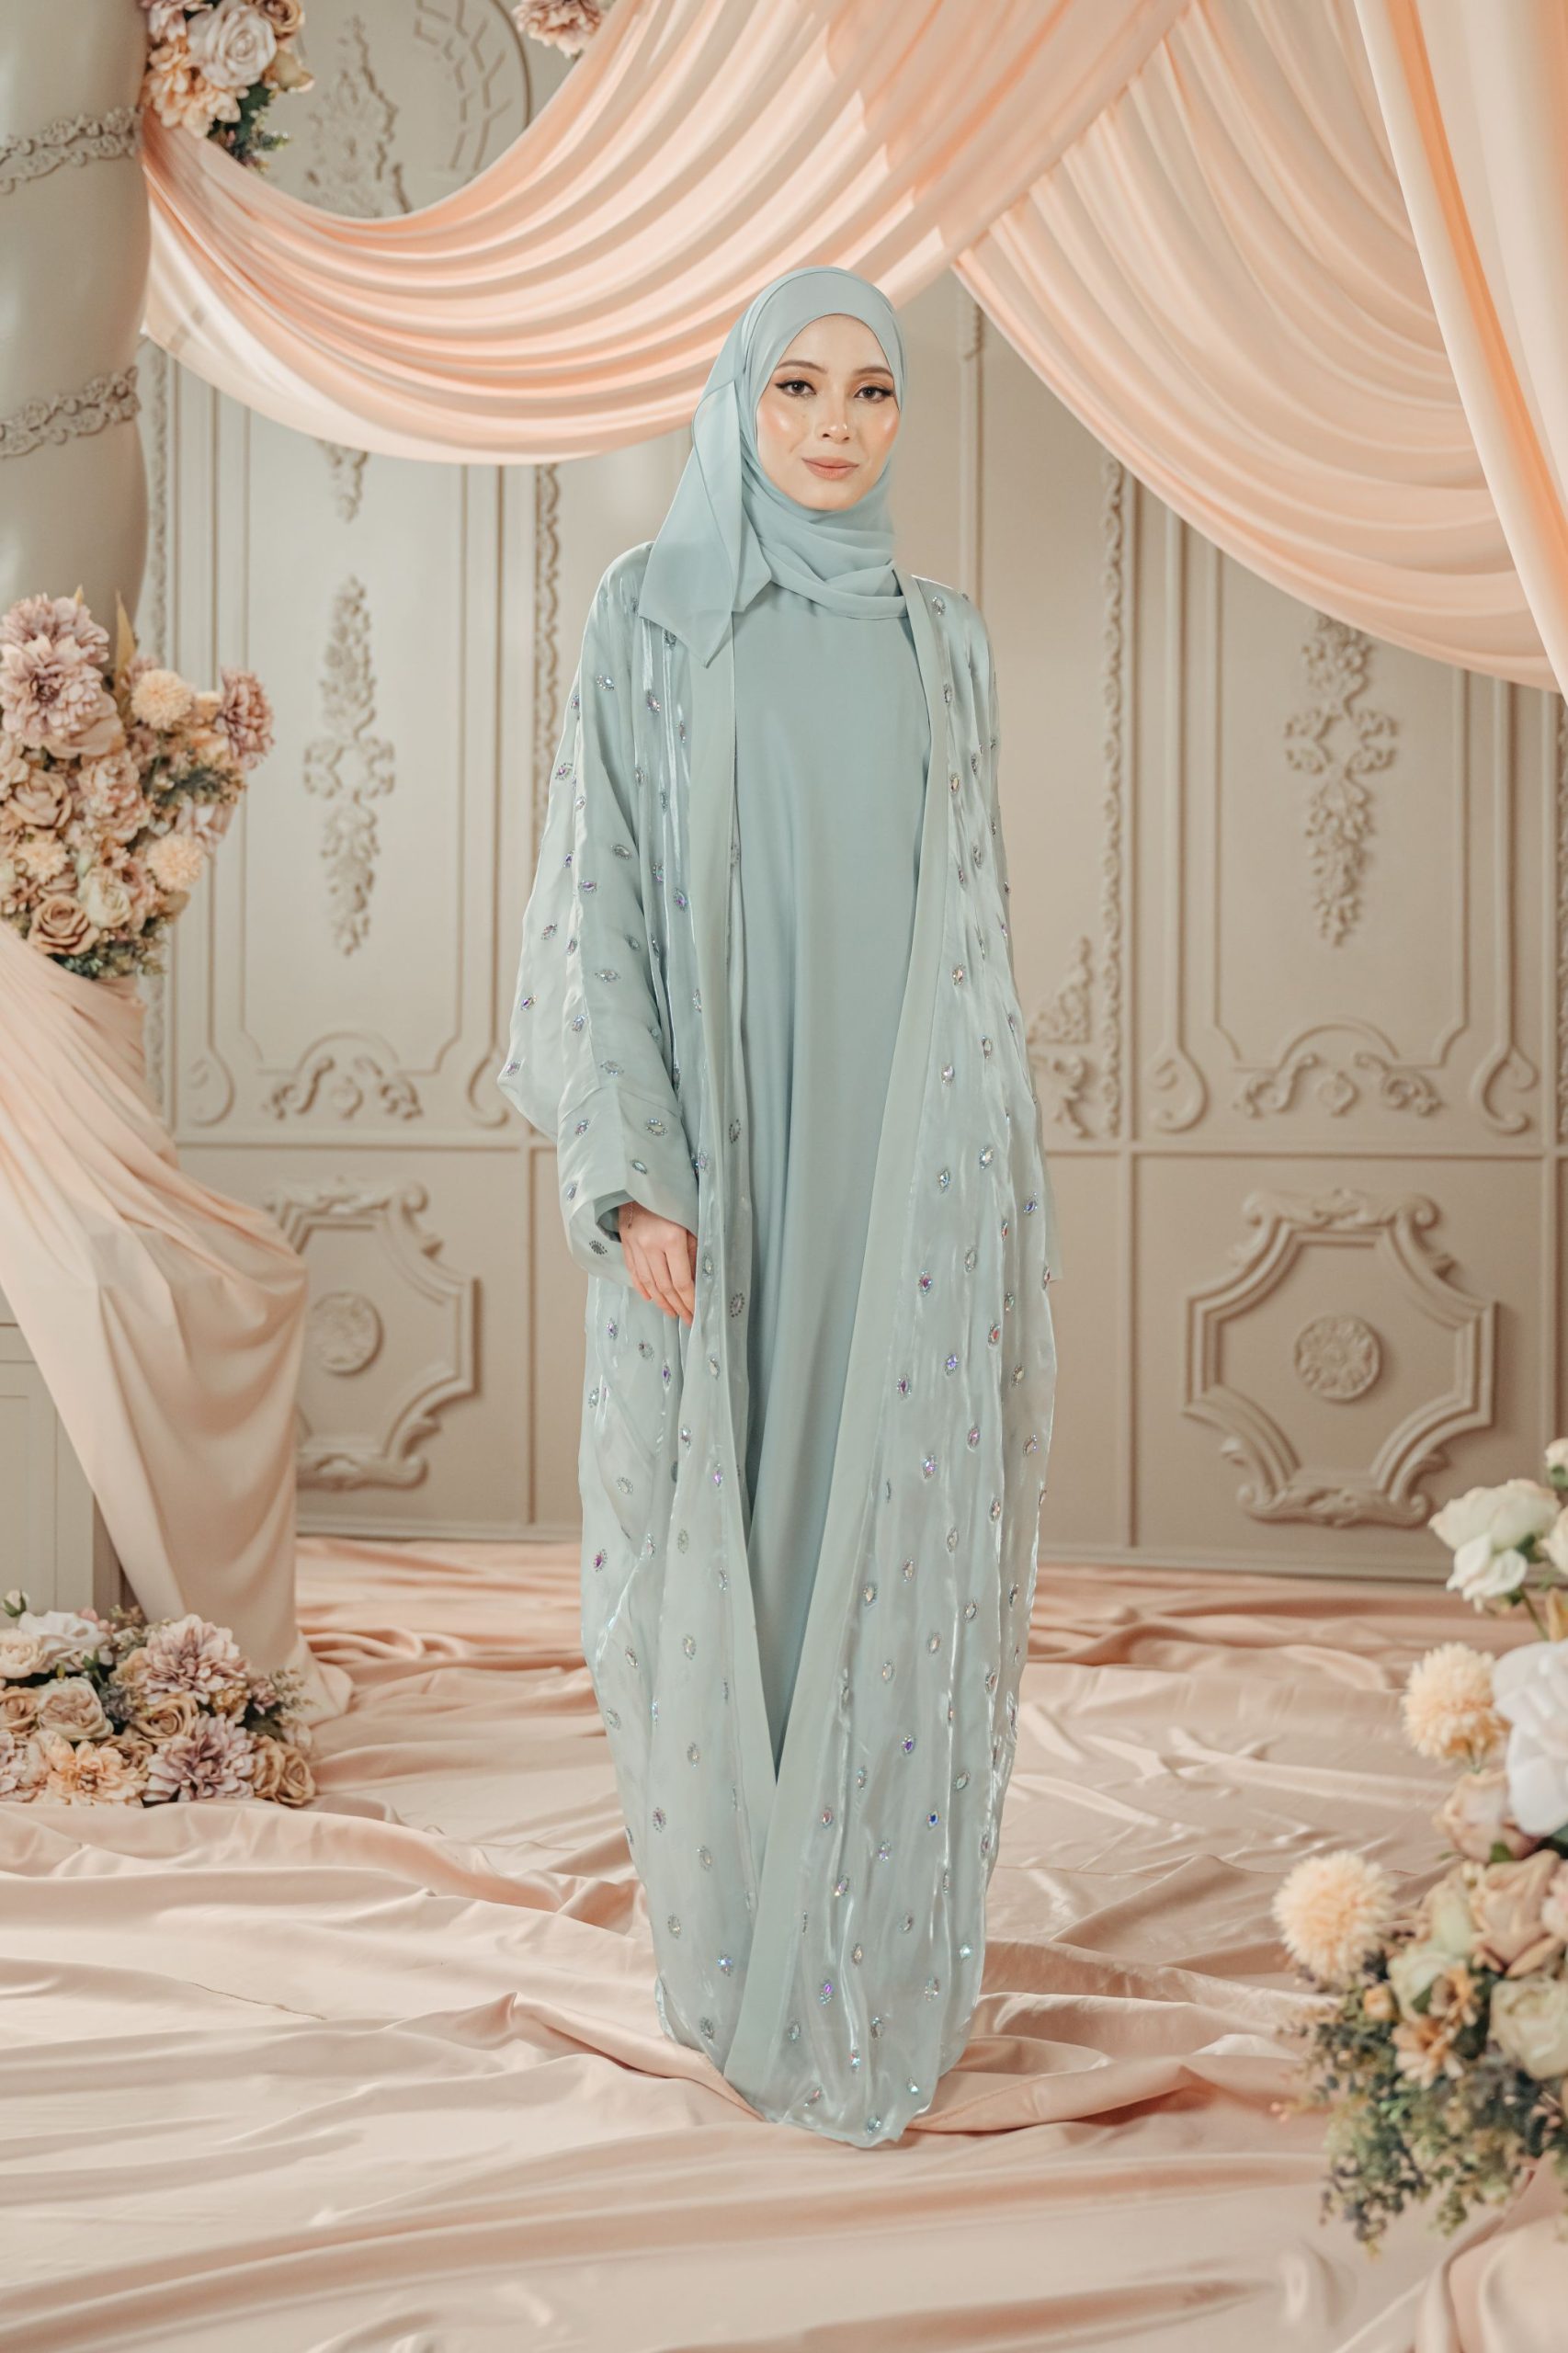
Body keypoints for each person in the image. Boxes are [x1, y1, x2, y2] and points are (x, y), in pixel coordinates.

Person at [498, 262, 1062, 2145]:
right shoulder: (651, 615)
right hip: (725, 1167)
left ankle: (868, 1952)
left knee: (880, 1535)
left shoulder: (942, 641)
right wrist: (635, 1173)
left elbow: (972, 937)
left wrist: (988, 1186)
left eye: (871, 389)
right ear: (738, 404)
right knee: (716, 1539)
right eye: (796, 386)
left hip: (903, 1168)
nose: (835, 424)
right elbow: (595, 905)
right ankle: (735, 1945)